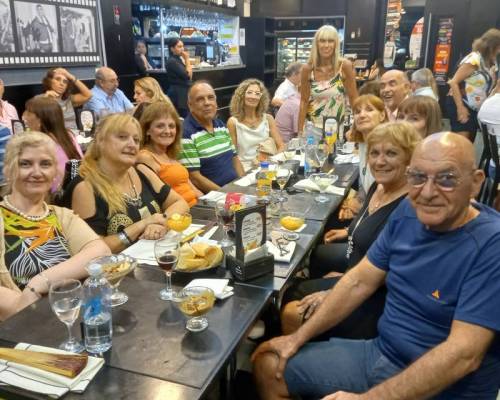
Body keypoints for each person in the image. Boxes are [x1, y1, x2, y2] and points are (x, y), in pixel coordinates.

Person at [252, 132, 500, 400]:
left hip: (447, 388)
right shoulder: (407, 210)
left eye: (447, 179)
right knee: (269, 363)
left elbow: (463, 355)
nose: (428, 192)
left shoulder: (491, 244)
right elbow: (359, 280)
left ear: (476, 183)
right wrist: (296, 338)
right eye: (418, 177)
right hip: (383, 353)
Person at [282, 122, 420, 338]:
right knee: (298, 284)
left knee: (293, 303)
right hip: (358, 277)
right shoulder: (379, 187)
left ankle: (293, 360)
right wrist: (346, 272)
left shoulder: (409, 207)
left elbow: (390, 273)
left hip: (377, 298)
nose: (380, 161)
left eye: (391, 153)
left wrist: (335, 290)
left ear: (409, 158)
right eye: (374, 153)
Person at [0, 131, 110, 321]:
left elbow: (101, 252)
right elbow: (19, 309)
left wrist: (39, 283)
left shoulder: (61, 216)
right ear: (9, 171)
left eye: (45, 164)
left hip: (70, 317)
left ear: (54, 173)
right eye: (25, 164)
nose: (37, 172)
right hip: (23, 328)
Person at [66, 113, 189, 253]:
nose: (132, 145)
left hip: (157, 257)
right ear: (100, 141)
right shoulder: (84, 187)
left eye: (136, 140)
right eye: (122, 137)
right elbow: (91, 250)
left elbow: (180, 203)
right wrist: (142, 225)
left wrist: (163, 222)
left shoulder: (141, 170)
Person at [179, 81, 244, 193]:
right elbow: (195, 178)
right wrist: (227, 195)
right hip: (215, 198)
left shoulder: (221, 125)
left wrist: (244, 185)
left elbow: (235, 158)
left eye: (211, 98)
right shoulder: (186, 133)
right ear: (190, 105)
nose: (207, 103)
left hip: (235, 190)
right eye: (200, 99)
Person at [137, 101, 202, 207]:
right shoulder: (145, 157)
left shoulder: (169, 154)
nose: (167, 131)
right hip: (180, 215)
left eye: (171, 126)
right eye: (160, 126)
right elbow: (157, 199)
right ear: (147, 130)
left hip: (198, 207)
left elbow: (193, 189)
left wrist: (210, 203)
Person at [298, 25, 358, 134]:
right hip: (312, 128)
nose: (326, 45)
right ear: (316, 44)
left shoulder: (345, 66)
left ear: (336, 44)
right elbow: (304, 101)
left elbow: (354, 98)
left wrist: (357, 127)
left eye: (331, 41)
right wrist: (299, 131)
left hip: (336, 129)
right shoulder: (308, 69)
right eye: (322, 41)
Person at [447, 28, 500, 141]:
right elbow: (454, 82)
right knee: (462, 140)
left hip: (474, 107)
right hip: (461, 102)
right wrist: (460, 108)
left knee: (469, 139)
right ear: (492, 46)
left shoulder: (491, 62)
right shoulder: (474, 59)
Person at [22, 96, 82, 192]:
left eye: (28, 112)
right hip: (76, 190)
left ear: (40, 120)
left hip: (52, 196)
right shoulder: (69, 135)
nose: (24, 116)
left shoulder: (39, 144)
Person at [228, 79, 284, 171]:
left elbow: (281, 145)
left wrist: (272, 163)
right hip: (244, 169)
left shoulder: (268, 119)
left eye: (257, 94)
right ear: (241, 96)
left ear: (261, 98)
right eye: (249, 92)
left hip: (267, 166)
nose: (253, 97)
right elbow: (232, 155)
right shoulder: (233, 122)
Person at [41, 67, 92, 132]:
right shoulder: (40, 99)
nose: (61, 84)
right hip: (54, 138)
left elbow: (88, 95)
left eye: (65, 81)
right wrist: (45, 100)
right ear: (49, 81)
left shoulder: (69, 99)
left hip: (74, 136)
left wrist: (71, 77)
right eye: (57, 79)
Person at [166, 38, 192, 118]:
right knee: (183, 117)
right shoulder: (172, 61)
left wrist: (186, 61)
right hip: (178, 94)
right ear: (172, 49)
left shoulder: (178, 59)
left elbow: (190, 75)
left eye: (182, 46)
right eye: (179, 46)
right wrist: (187, 59)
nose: (182, 49)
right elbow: (187, 76)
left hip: (183, 92)